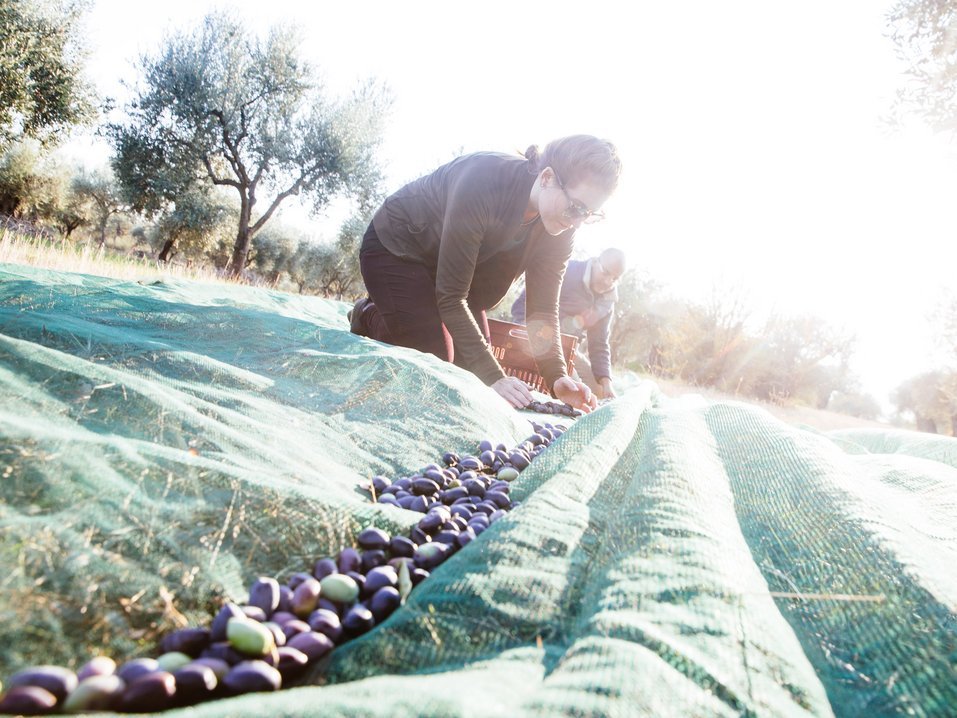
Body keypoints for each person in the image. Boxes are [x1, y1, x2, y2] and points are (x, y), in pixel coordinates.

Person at [349, 134, 622, 412]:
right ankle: (368, 314)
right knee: (439, 358)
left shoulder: (561, 230)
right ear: (547, 177)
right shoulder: (482, 180)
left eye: (589, 214)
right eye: (576, 207)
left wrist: (557, 376)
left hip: (447, 275)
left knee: (471, 371)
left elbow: (542, 309)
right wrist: (495, 377)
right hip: (397, 248)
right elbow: (451, 296)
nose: (577, 223)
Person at [511, 248, 625, 400]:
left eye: (615, 278)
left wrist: (606, 382)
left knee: (598, 392)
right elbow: (520, 306)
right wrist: (529, 336)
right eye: (605, 272)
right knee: (577, 393)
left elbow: (599, 344)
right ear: (595, 262)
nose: (608, 281)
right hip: (541, 341)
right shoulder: (567, 270)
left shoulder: (607, 302)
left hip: (570, 350)